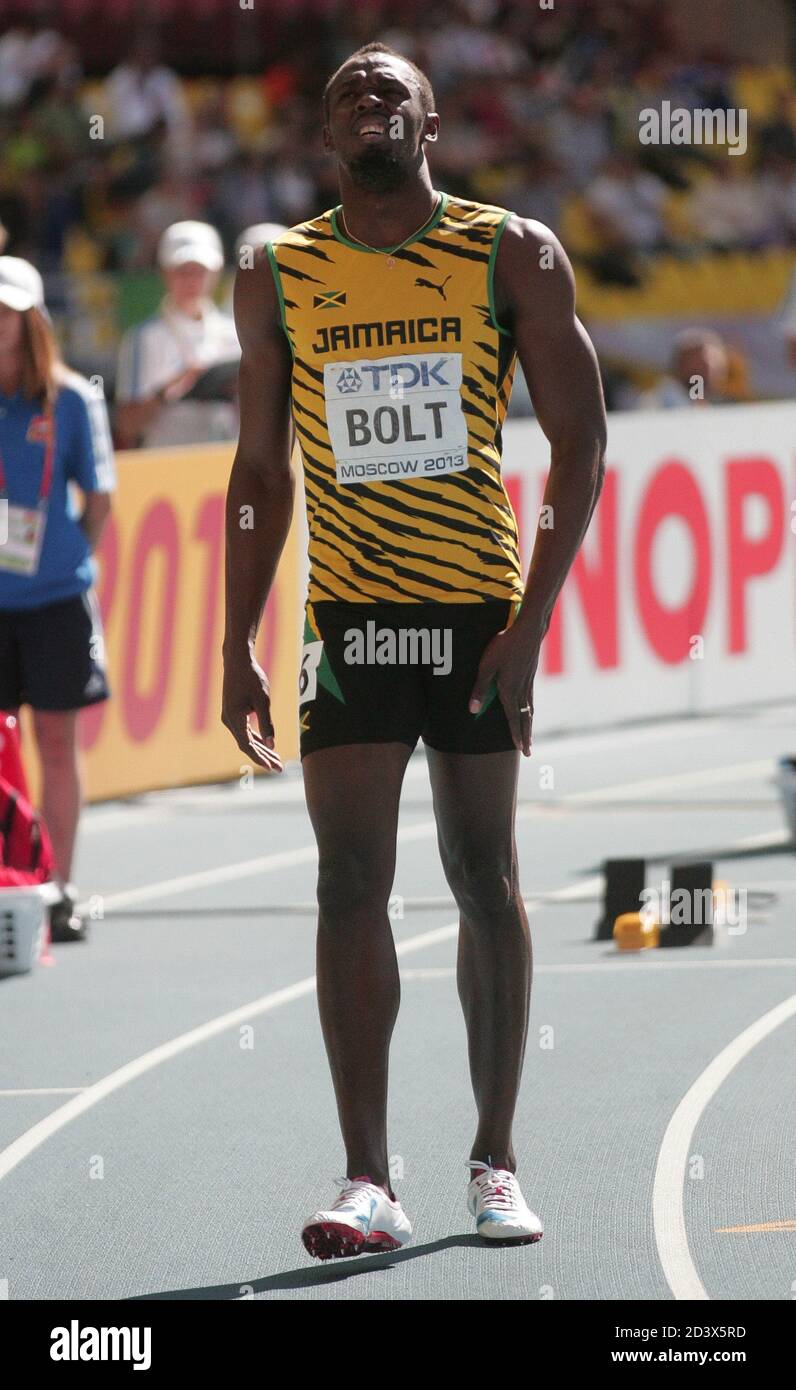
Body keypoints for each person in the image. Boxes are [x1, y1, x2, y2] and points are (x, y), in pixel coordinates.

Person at [221, 44, 606, 1260]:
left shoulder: (511, 250)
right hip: (346, 620)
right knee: (347, 883)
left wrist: (531, 623)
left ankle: (495, 1159)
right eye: (347, 93)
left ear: (432, 121)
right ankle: (368, 1179)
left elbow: (581, 444)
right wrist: (235, 635)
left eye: (392, 89)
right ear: (324, 137)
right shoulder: (279, 268)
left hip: (473, 617)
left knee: (482, 873)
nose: (369, 101)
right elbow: (258, 468)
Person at [0, 256, 115, 939]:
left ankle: (57, 888)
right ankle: (7, 883)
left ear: (31, 318)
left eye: (7, 310)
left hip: (53, 604)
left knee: (53, 740)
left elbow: (98, 499)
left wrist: (66, 563)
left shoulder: (71, 398)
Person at [115, 220, 241, 449]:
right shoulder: (142, 337)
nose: (192, 280)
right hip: (168, 470)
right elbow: (127, 425)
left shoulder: (235, 332)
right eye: (182, 271)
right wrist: (170, 390)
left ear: (216, 273)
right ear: (165, 273)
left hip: (226, 463)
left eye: (200, 271)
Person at [635, 328, 729, 408]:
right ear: (680, 363)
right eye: (700, 363)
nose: (710, 369)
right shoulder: (657, 404)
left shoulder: (716, 403)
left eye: (715, 361)